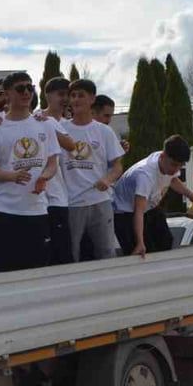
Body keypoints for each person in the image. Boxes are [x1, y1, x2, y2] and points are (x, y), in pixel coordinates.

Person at [0, 72, 62, 273]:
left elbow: (53, 163)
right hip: (4, 209)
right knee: (2, 272)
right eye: (20, 88)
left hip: (36, 209)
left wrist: (44, 177)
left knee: (37, 271)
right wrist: (12, 176)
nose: (26, 92)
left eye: (29, 87)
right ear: (6, 93)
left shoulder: (45, 123)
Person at [60, 79, 125, 262]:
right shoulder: (61, 129)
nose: (76, 100)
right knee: (72, 254)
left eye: (81, 95)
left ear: (92, 99)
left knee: (106, 253)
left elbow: (118, 166)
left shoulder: (104, 131)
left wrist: (108, 179)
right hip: (72, 203)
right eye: (73, 96)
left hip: (100, 201)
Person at [112, 136, 193, 257]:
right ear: (163, 156)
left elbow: (172, 180)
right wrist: (140, 242)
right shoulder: (144, 176)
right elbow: (138, 211)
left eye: (180, 165)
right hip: (125, 213)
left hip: (148, 208)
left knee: (165, 240)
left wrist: (190, 195)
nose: (176, 170)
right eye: (174, 165)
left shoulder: (165, 161)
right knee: (141, 250)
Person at [37, 76, 77, 265]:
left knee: (66, 254)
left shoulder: (68, 123)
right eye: (61, 94)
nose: (65, 99)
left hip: (66, 196)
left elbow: (73, 148)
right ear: (47, 95)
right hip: (42, 198)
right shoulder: (35, 118)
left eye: (68, 95)